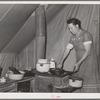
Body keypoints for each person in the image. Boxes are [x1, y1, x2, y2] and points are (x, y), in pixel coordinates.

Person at [58, 18, 100, 93]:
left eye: (71, 28)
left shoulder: (86, 35)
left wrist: (78, 63)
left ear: (77, 26)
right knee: (80, 81)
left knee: (89, 80)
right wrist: (61, 62)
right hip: (80, 60)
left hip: (90, 61)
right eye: (69, 28)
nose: (70, 30)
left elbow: (88, 51)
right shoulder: (73, 37)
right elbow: (67, 50)